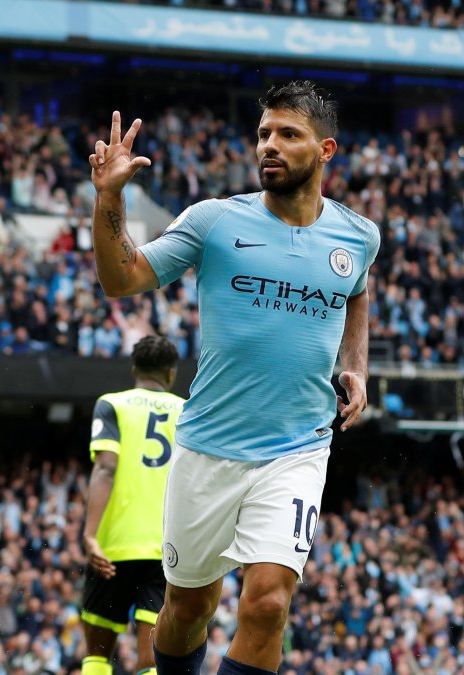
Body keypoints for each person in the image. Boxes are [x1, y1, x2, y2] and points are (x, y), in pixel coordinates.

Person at [88, 80, 379, 675]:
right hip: (207, 450)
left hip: (297, 449)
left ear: (325, 151)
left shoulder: (358, 235)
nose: (269, 145)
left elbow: (358, 292)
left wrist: (355, 365)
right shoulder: (215, 222)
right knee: (189, 607)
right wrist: (109, 200)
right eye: (263, 134)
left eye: (287, 135)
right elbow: (123, 279)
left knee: (269, 603)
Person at [81, 334, 185, 675]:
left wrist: (90, 534)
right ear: (171, 374)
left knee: (97, 654)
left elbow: (106, 467)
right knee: (150, 659)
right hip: (165, 549)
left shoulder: (112, 404)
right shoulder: (187, 411)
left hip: (113, 546)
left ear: (134, 370)